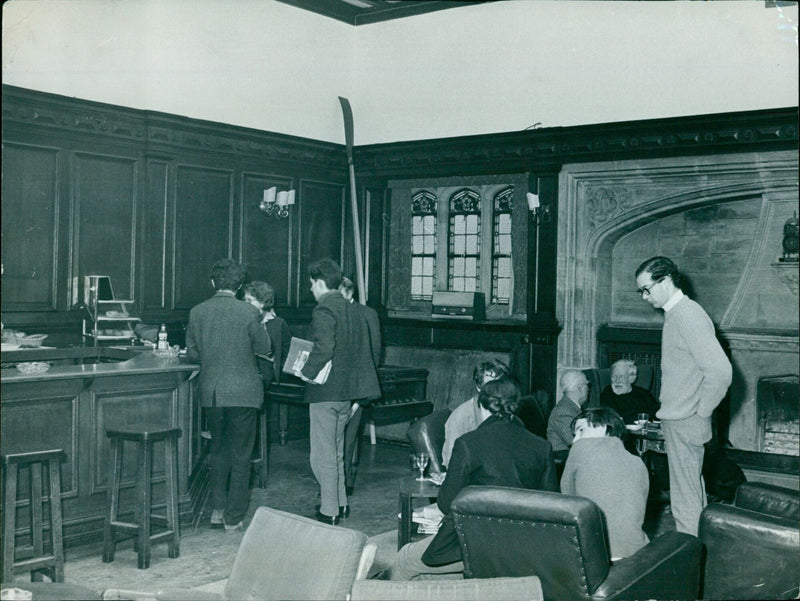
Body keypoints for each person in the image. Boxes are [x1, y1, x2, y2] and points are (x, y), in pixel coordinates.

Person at [388, 375, 558, 580]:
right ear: (515, 406)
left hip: (474, 543)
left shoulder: (468, 443)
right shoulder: (541, 446)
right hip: (524, 546)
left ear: (482, 407)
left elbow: (445, 503)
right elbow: (551, 504)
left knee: (405, 559)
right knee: (431, 577)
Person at [635, 256, 732, 536]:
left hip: (686, 419)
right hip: (681, 418)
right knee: (690, 492)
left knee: (685, 499)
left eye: (647, 289)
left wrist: (701, 412)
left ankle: (689, 565)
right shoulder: (676, 314)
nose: (644, 297)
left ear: (665, 280)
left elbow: (720, 372)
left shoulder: (687, 314)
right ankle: (698, 552)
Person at [185, 259, 271, 532]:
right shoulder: (248, 312)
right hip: (244, 393)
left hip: (212, 393)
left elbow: (193, 354)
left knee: (218, 449)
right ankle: (234, 518)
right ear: (239, 285)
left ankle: (217, 510)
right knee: (241, 454)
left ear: (213, 283)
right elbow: (264, 348)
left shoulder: (197, 312)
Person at [298, 259, 380, 524]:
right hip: (348, 394)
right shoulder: (355, 310)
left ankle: (329, 510)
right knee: (337, 451)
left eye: (312, 284)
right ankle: (342, 504)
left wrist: (305, 372)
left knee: (321, 455)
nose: (311, 289)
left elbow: (324, 348)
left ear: (320, 283)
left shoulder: (324, 309)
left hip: (326, 393)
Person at [560, 407, 650, 560]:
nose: (575, 440)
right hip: (636, 552)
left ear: (604, 427)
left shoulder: (580, 449)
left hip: (592, 552)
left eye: (581, 430)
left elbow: (566, 500)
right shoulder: (638, 462)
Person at [338, 276, 382, 496]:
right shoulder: (331, 312)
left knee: (349, 437)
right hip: (333, 385)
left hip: (358, 385)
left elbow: (375, 353)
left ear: (349, 293)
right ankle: (334, 483)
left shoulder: (367, 314)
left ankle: (345, 482)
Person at [441, 359, 509, 468]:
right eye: (490, 386)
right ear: (478, 387)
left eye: (500, 385)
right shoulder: (460, 418)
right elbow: (454, 465)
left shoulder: (506, 411)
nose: (497, 391)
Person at [243, 281, 292, 387]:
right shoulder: (242, 322)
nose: (245, 304)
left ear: (263, 302)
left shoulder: (279, 324)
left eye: (249, 300)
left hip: (270, 382)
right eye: (244, 300)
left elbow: (287, 354)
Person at [600, 359, 660, 425]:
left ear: (632, 378)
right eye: (614, 376)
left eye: (621, 376)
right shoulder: (607, 393)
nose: (617, 381)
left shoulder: (643, 394)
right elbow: (611, 419)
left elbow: (657, 415)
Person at [546, 370, 590, 454]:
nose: (588, 389)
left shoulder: (570, 408)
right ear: (581, 387)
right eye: (587, 385)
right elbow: (576, 443)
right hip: (563, 460)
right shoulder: (562, 412)